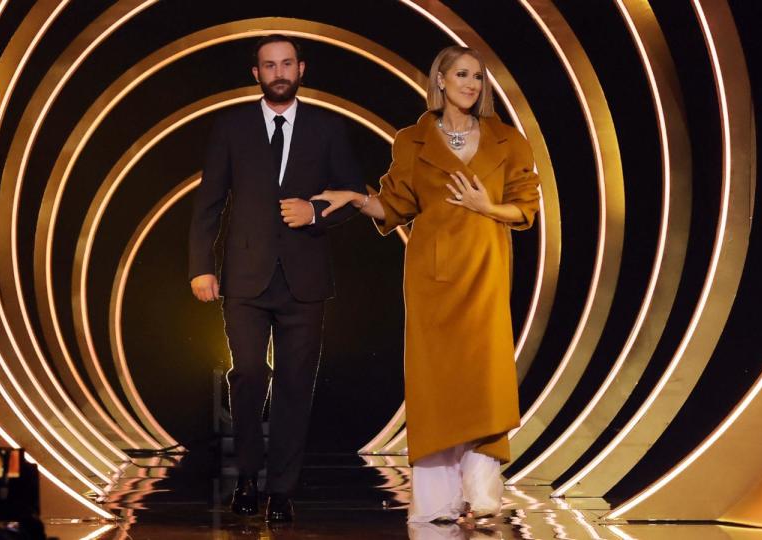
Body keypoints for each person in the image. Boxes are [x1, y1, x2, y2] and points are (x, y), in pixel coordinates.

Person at [311, 45, 540, 523]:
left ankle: (481, 492)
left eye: (478, 77)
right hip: (431, 275)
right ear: (439, 79)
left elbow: (525, 208)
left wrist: (486, 208)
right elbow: (394, 205)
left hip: (486, 271)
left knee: (484, 376)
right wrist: (356, 198)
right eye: (462, 74)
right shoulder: (411, 140)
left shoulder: (508, 140)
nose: (472, 84)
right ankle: (437, 501)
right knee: (435, 381)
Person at [188, 34, 364, 523]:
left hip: (304, 278)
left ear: (302, 69)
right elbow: (209, 201)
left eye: (287, 63)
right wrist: (201, 265)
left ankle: (282, 490)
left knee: (294, 384)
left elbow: (354, 192)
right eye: (269, 65)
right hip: (244, 276)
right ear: (256, 74)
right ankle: (246, 478)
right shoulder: (232, 126)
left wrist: (316, 213)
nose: (279, 72)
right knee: (248, 375)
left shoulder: (328, 127)